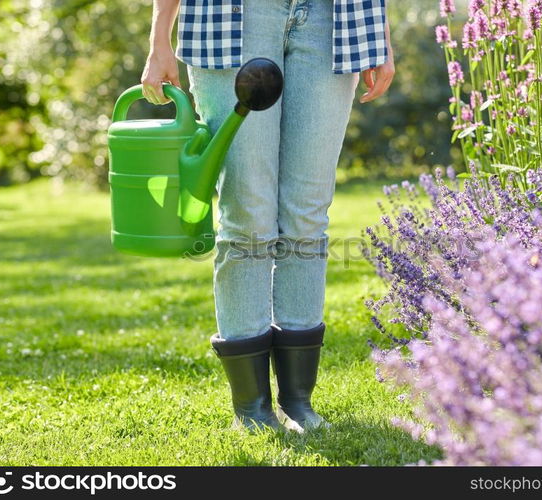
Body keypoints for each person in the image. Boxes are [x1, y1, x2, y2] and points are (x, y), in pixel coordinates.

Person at [141, 0, 394, 432]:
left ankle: (299, 401)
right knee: (248, 213)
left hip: (333, 21)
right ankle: (252, 407)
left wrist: (379, 35)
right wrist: (159, 37)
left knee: (307, 216)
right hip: (233, 18)